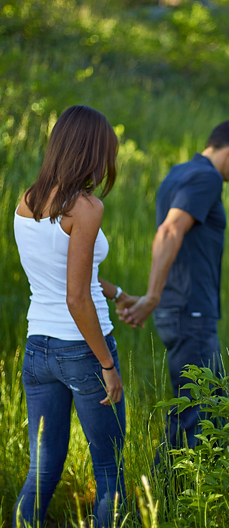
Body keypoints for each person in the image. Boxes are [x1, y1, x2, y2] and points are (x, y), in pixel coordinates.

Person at [13, 105, 137, 527]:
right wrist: (106, 364)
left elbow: (65, 274)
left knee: (42, 470)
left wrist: (119, 293)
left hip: (37, 350)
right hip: (82, 350)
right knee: (110, 472)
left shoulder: (27, 200)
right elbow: (75, 297)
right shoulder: (85, 207)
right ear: (90, 152)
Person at [119, 121, 229, 454]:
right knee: (192, 417)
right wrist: (152, 295)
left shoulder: (178, 173)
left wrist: (158, 295)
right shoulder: (207, 177)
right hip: (190, 310)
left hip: (180, 309)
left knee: (217, 407)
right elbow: (169, 231)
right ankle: (159, 503)